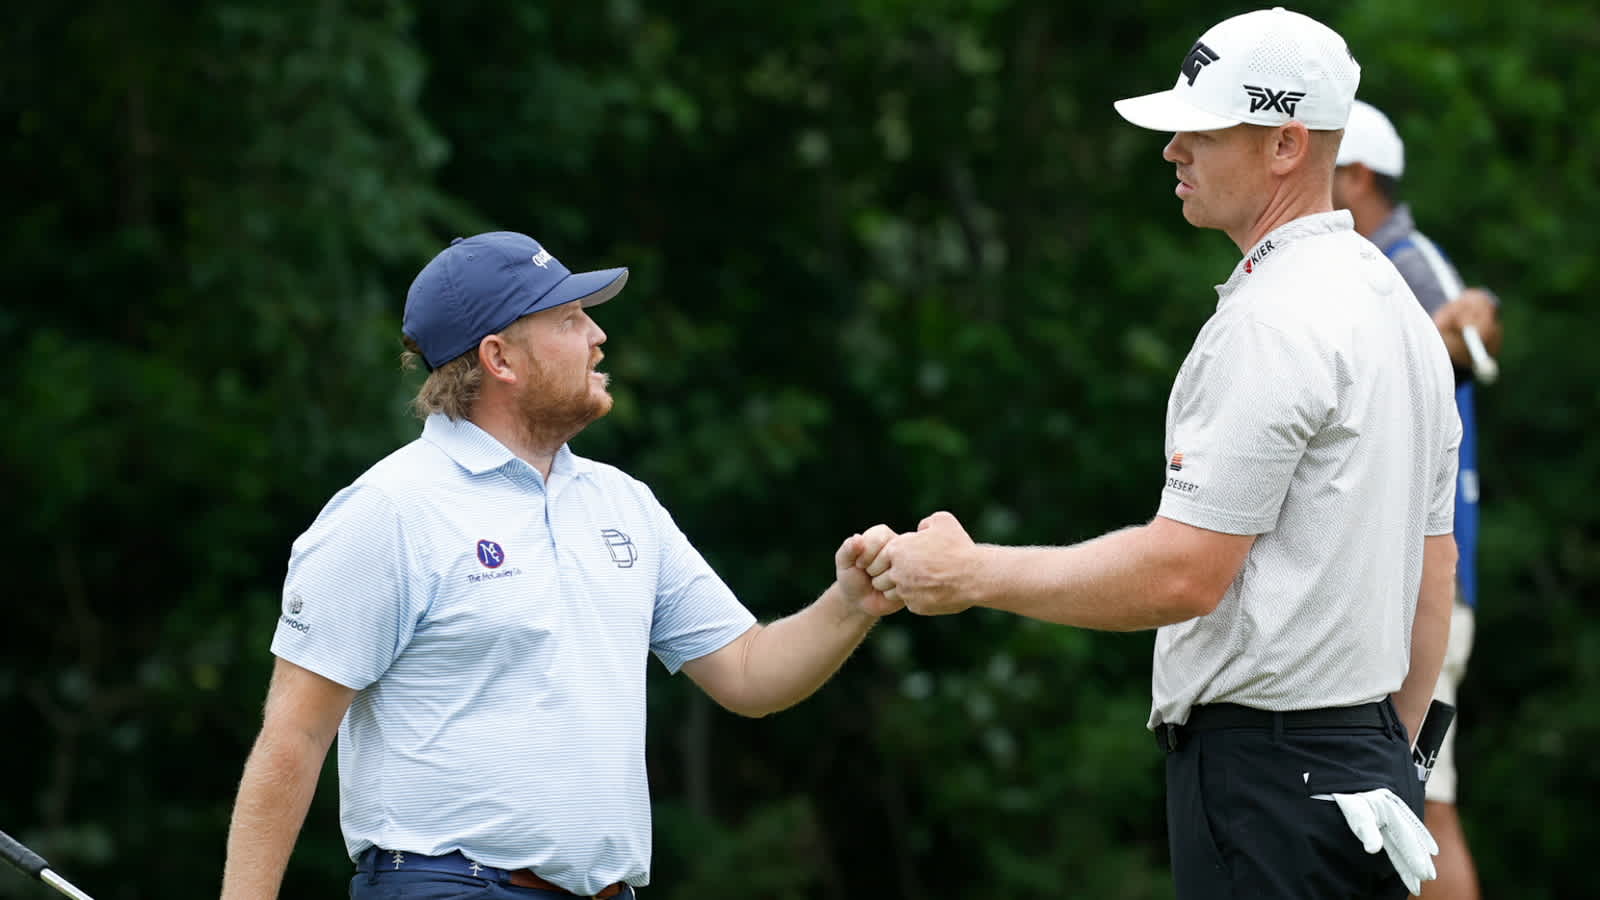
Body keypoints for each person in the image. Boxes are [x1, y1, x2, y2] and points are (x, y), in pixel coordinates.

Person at [862, 9, 1460, 899]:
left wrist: (972, 573)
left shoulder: (1269, 323)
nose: (1173, 148)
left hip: (1267, 783)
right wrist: (1393, 763)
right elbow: (1433, 569)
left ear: (1286, 144)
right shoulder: (1397, 310)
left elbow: (1184, 575)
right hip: (1361, 775)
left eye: (1202, 130)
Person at [219, 231, 899, 900]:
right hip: (450, 888)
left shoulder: (622, 504)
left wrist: (849, 602)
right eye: (570, 319)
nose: (598, 336)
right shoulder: (389, 510)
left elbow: (750, 672)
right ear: (500, 358)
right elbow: (296, 735)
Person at [1334, 99, 1500, 900]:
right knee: (1395, 805)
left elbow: (1471, 333)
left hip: (1422, 591)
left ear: (1355, 176)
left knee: (1420, 806)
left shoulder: (1402, 260)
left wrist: (1470, 321)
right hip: (1401, 588)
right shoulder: (1367, 265)